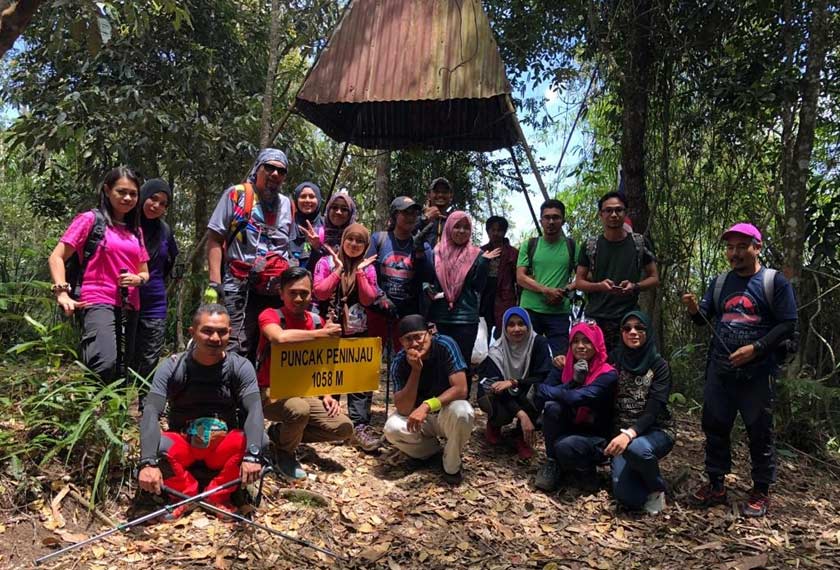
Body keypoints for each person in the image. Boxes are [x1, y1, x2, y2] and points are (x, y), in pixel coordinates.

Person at [682, 223, 797, 517]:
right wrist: (695, 309)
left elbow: (788, 324)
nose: (734, 254)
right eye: (730, 248)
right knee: (715, 425)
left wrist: (756, 349)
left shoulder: (774, 282)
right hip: (721, 368)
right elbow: (704, 320)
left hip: (758, 372)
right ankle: (716, 484)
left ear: (756, 247)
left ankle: (760, 490)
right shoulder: (720, 282)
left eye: (741, 247)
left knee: (759, 430)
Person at [137, 305, 264, 519]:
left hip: (222, 448)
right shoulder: (173, 367)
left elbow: (254, 409)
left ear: (229, 334)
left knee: (261, 440)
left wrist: (253, 454)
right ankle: (183, 495)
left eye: (222, 332)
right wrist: (147, 462)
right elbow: (150, 411)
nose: (215, 337)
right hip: (185, 444)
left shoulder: (240, 367)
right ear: (192, 332)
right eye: (207, 331)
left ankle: (218, 496)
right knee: (156, 445)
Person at [48, 166, 150, 383]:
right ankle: (93, 412)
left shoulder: (136, 231)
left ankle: (115, 415)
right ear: (107, 190)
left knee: (123, 369)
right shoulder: (89, 220)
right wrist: (62, 292)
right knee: (103, 362)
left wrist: (138, 279)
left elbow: (144, 272)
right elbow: (57, 257)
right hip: (96, 299)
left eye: (133, 193)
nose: (128, 198)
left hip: (129, 303)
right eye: (121, 191)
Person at [256, 267, 353, 480]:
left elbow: (322, 361)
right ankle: (285, 453)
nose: (299, 298)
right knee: (298, 409)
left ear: (312, 294)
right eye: (292, 292)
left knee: (344, 428)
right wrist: (321, 334)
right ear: (281, 293)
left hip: (305, 391)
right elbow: (279, 338)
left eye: (304, 293)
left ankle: (280, 435)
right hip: (271, 391)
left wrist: (326, 394)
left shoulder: (316, 321)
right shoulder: (270, 315)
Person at [205, 148, 293, 362]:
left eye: (281, 171)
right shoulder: (237, 195)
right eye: (269, 168)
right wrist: (215, 283)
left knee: (269, 346)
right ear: (258, 168)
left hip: (273, 290)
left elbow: (288, 246)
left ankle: (262, 394)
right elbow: (215, 238)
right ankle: (232, 393)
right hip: (239, 285)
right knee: (237, 343)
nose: (275, 174)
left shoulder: (287, 204)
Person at [312, 223, 381, 451]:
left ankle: (359, 426)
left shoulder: (368, 268)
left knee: (358, 378)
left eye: (359, 241)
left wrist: (359, 271)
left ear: (365, 245)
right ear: (342, 240)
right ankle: (330, 424)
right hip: (328, 329)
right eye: (349, 239)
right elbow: (320, 291)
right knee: (329, 374)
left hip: (357, 330)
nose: (353, 244)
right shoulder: (326, 263)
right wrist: (339, 270)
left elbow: (369, 298)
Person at [384, 315, 475, 484]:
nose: (415, 343)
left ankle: (451, 465)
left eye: (418, 336)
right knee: (391, 428)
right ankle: (431, 453)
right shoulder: (400, 361)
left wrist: (427, 405)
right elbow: (403, 409)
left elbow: (461, 389)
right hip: (419, 421)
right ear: (401, 342)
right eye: (408, 339)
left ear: (429, 333)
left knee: (464, 412)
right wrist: (415, 371)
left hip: (445, 413)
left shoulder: (445, 345)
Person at [534, 322, 618, 492]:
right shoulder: (564, 367)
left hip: (597, 436)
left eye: (587, 341)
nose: (580, 346)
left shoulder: (608, 373)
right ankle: (553, 463)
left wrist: (569, 388)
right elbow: (539, 394)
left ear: (596, 344)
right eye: (575, 341)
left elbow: (581, 397)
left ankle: (585, 471)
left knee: (566, 446)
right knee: (552, 408)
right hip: (571, 425)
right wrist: (572, 381)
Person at [605, 311, 674, 514]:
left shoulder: (659, 365)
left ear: (647, 331)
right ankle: (639, 472)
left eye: (639, 328)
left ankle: (657, 489)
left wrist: (628, 434)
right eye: (627, 328)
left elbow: (653, 411)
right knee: (628, 497)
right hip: (621, 435)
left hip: (656, 430)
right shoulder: (614, 360)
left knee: (638, 450)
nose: (633, 332)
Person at [425, 211, 500, 393]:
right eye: (457, 226)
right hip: (440, 316)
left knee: (462, 363)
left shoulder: (476, 255)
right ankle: (437, 404)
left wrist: (483, 263)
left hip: (465, 319)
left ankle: (460, 403)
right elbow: (426, 278)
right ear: (449, 228)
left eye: (466, 227)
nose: (461, 231)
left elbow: (479, 287)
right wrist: (426, 287)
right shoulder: (436, 253)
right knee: (437, 361)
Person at [575, 191, 659, 353]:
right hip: (597, 317)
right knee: (598, 366)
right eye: (608, 210)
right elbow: (579, 282)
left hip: (628, 318)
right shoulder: (591, 246)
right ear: (601, 214)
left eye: (618, 210)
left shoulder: (639, 243)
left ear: (625, 213)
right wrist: (599, 286)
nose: (613, 214)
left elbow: (654, 278)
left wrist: (635, 286)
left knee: (627, 366)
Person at [476, 307, 551, 459]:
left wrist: (514, 382)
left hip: (526, 390)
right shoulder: (496, 350)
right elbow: (493, 385)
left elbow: (543, 376)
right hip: (503, 396)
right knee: (489, 393)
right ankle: (495, 422)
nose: (516, 329)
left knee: (542, 390)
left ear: (528, 325)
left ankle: (520, 436)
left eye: (521, 324)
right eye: (511, 324)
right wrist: (522, 415)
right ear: (504, 328)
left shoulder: (538, 343)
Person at [132, 178, 179, 385]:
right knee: (122, 352)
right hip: (123, 298)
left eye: (163, 204)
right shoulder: (124, 225)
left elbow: (170, 260)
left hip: (154, 302)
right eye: (153, 199)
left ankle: (146, 404)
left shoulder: (164, 231)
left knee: (150, 355)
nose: (156, 206)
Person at [367, 196, 431, 347]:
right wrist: (380, 297)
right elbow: (367, 272)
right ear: (395, 215)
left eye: (414, 214)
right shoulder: (378, 239)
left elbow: (428, 277)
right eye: (406, 213)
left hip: (407, 316)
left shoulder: (423, 245)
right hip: (379, 312)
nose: (411, 217)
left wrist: (421, 252)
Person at [516, 199, 577, 355]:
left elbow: (584, 276)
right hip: (530, 310)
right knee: (525, 355)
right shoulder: (529, 245)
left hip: (559, 312)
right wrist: (546, 290)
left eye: (556, 217)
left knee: (560, 357)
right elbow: (520, 277)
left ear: (563, 220)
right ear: (541, 220)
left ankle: (555, 381)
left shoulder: (572, 246)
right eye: (547, 217)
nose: (551, 221)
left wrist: (565, 290)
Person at [480, 216, 519, 340]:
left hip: (505, 297)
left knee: (503, 333)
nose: (496, 233)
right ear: (487, 231)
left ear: (504, 232)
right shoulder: (481, 251)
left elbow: (518, 279)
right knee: (482, 332)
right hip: (484, 297)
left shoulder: (513, 253)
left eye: (499, 230)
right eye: (493, 230)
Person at [288, 181, 323, 271]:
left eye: (312, 196)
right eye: (303, 196)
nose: (307, 200)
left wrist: (317, 247)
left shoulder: (325, 225)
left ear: (318, 199)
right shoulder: (288, 221)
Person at [415, 177, 454, 248]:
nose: (440, 195)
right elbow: (403, 232)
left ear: (450, 196)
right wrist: (425, 218)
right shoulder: (416, 215)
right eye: (436, 191)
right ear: (429, 195)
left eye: (444, 192)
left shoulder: (454, 221)